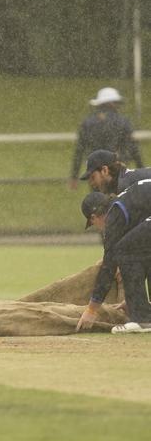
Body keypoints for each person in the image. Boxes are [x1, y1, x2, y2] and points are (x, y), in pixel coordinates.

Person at [76, 186, 151, 333]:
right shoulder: (125, 207)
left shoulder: (114, 217)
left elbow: (108, 267)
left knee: (123, 251)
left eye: (93, 224)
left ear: (93, 217)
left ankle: (142, 320)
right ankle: (142, 313)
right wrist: (134, 299)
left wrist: (92, 309)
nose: (98, 228)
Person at [69, 87, 143, 190]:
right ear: (111, 103)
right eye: (117, 103)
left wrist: (74, 175)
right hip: (117, 169)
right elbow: (134, 149)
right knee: (119, 200)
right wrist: (142, 171)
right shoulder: (123, 122)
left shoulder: (87, 123)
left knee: (98, 201)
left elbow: (79, 150)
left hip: (95, 171)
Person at [79, 149, 151, 194]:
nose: (92, 183)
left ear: (105, 170)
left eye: (93, 177)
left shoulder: (126, 189)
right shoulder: (126, 181)